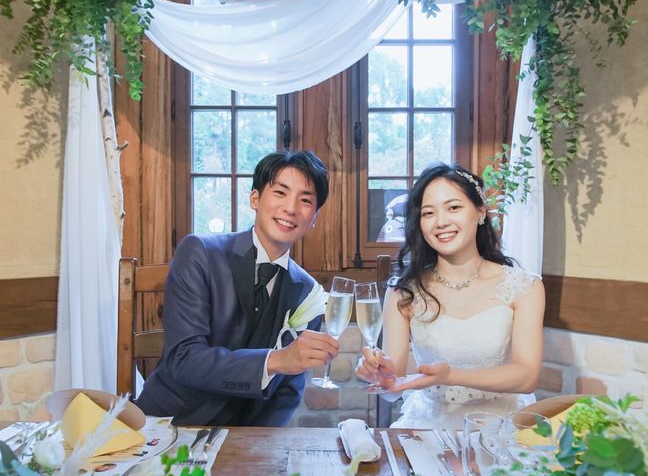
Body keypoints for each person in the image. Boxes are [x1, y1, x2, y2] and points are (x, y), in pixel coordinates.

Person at [136, 150, 338, 427]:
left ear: (314, 218)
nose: (290, 208)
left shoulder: (307, 292)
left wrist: (257, 444)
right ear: (255, 199)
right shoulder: (199, 253)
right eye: (280, 193)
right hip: (172, 424)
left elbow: (287, 392)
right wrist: (276, 360)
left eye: (305, 200)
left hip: (245, 436)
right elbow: (183, 360)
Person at [355, 163, 545, 429]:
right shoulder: (402, 292)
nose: (441, 221)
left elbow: (527, 377)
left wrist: (451, 376)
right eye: (428, 213)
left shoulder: (524, 287)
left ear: (480, 212)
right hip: (428, 430)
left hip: (501, 431)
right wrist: (380, 376)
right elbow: (392, 390)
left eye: (453, 207)